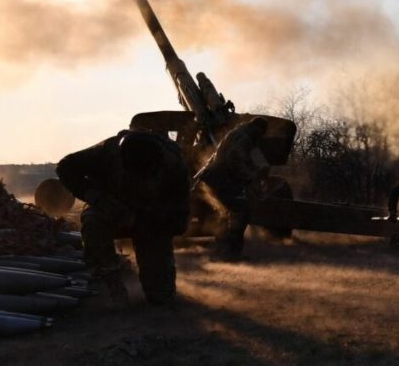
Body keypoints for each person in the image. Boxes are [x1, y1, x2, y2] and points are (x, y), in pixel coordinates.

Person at [56, 130, 190, 305]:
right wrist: (96, 197)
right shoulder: (106, 153)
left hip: (149, 215)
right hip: (111, 207)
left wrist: (157, 225)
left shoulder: (175, 166)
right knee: (93, 223)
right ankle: (109, 280)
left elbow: (179, 219)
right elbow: (65, 167)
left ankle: (156, 284)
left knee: (162, 296)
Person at [195, 117, 271, 258]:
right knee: (241, 211)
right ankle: (230, 252)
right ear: (257, 130)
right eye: (261, 134)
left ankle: (222, 250)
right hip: (220, 179)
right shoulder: (244, 138)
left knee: (227, 212)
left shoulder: (238, 133)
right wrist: (249, 177)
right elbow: (234, 159)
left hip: (214, 178)